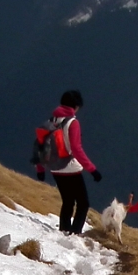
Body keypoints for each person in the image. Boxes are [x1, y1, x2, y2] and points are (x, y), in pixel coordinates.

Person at [32, 89, 101, 235]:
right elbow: (76, 148)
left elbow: (40, 146)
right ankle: (75, 234)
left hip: (54, 168)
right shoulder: (72, 123)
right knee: (83, 203)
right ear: (75, 106)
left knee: (68, 201)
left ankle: (64, 230)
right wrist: (92, 170)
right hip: (71, 168)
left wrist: (40, 169)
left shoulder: (51, 121)